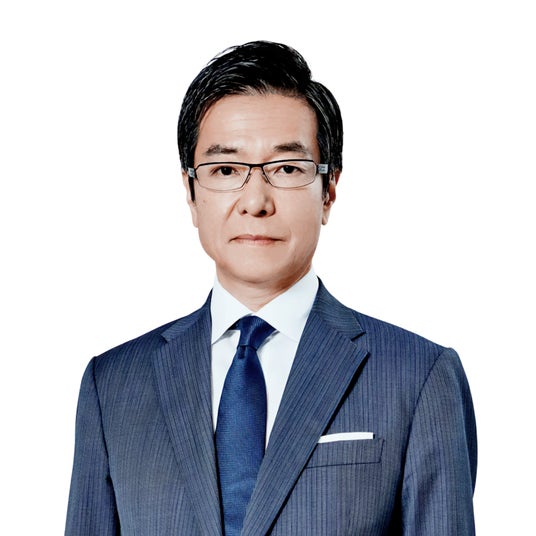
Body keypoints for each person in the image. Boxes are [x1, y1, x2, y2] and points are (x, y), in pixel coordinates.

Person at [65, 41, 477, 535]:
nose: (255, 201)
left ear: (328, 190)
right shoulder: (112, 386)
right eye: (225, 170)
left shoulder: (418, 376)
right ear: (191, 193)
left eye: (286, 169)